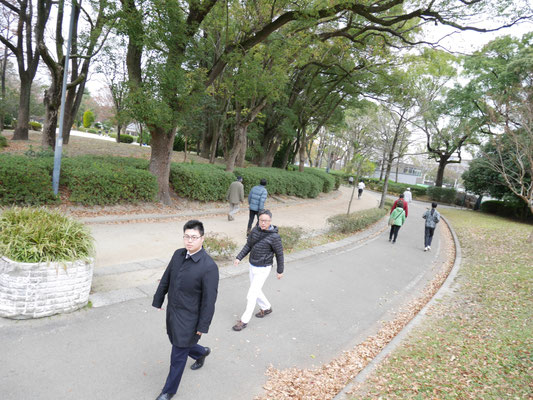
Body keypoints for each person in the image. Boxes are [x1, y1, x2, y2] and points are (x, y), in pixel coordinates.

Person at [152, 220, 219, 400]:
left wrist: (202, 325)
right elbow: (166, 278)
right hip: (173, 312)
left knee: (178, 354)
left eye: (194, 237)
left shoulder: (208, 266)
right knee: (176, 341)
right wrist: (158, 299)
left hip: (190, 318)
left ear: (202, 238)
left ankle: (169, 391)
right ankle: (201, 352)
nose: (189, 241)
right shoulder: (178, 254)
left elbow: (209, 301)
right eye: (186, 236)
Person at [232, 209, 284, 331]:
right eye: (261, 220)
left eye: (266, 221)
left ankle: (244, 321)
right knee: (255, 290)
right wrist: (239, 257)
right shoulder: (255, 230)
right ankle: (266, 307)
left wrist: (280, 270)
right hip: (252, 265)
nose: (263, 223)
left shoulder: (275, 237)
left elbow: (279, 254)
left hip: (264, 268)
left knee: (251, 295)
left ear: (270, 221)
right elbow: (248, 246)